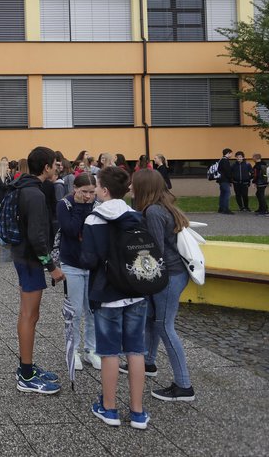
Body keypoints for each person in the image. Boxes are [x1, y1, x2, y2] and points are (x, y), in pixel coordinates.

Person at [79, 166, 150, 429]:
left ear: (105, 191)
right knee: (135, 350)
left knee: (109, 353)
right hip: (135, 290)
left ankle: (109, 408)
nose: (95, 189)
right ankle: (138, 413)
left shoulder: (94, 219)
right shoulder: (137, 216)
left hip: (106, 292)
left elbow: (89, 259)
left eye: (97, 185)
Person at [131, 168, 195, 403]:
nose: (130, 188)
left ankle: (184, 385)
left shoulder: (154, 212)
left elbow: (153, 249)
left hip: (169, 275)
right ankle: (147, 362)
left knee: (165, 326)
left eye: (133, 185)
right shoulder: (161, 207)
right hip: (171, 273)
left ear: (143, 188)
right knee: (153, 320)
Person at [11, 146, 64, 395]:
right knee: (30, 316)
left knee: (28, 314)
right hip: (30, 260)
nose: (58, 167)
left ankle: (27, 366)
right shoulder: (35, 194)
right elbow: (36, 236)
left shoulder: (26, 187)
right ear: (46, 167)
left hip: (24, 257)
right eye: (55, 163)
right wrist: (51, 266)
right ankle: (26, 374)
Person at [56, 173, 101, 372]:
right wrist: (81, 208)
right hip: (72, 263)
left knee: (92, 310)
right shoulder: (64, 205)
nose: (89, 196)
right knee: (74, 310)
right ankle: (72, 350)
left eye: (92, 192)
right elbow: (72, 230)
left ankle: (91, 349)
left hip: (92, 265)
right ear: (75, 188)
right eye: (84, 192)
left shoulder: (97, 205)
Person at [216, 148, 234, 214]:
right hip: (225, 180)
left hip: (221, 180)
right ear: (228, 153)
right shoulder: (225, 161)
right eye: (231, 153)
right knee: (227, 194)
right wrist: (230, 180)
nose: (232, 155)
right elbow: (227, 172)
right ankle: (226, 209)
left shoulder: (221, 160)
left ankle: (221, 208)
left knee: (222, 194)